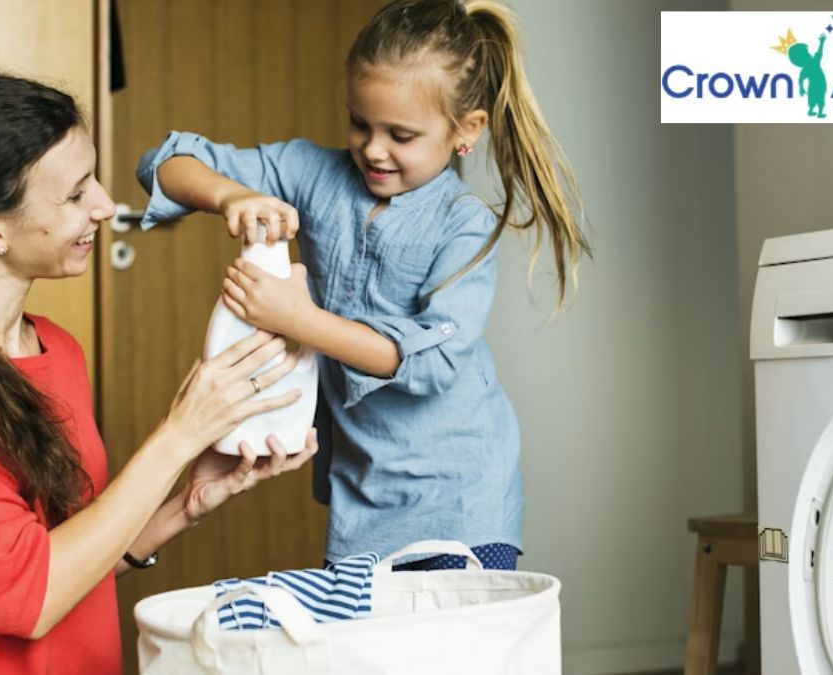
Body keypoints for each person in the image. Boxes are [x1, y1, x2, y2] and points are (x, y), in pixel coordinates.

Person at [0, 72, 316, 675]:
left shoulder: (56, 350)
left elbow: (72, 560)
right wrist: (178, 435)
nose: (105, 205)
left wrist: (188, 502)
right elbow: (30, 596)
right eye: (76, 194)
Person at [136, 0, 589, 570]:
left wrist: (298, 320)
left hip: (463, 502)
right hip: (362, 496)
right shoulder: (311, 172)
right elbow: (166, 162)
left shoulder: (464, 221)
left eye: (401, 134)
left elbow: (434, 361)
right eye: (359, 123)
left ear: (465, 132)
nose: (373, 149)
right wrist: (232, 195)